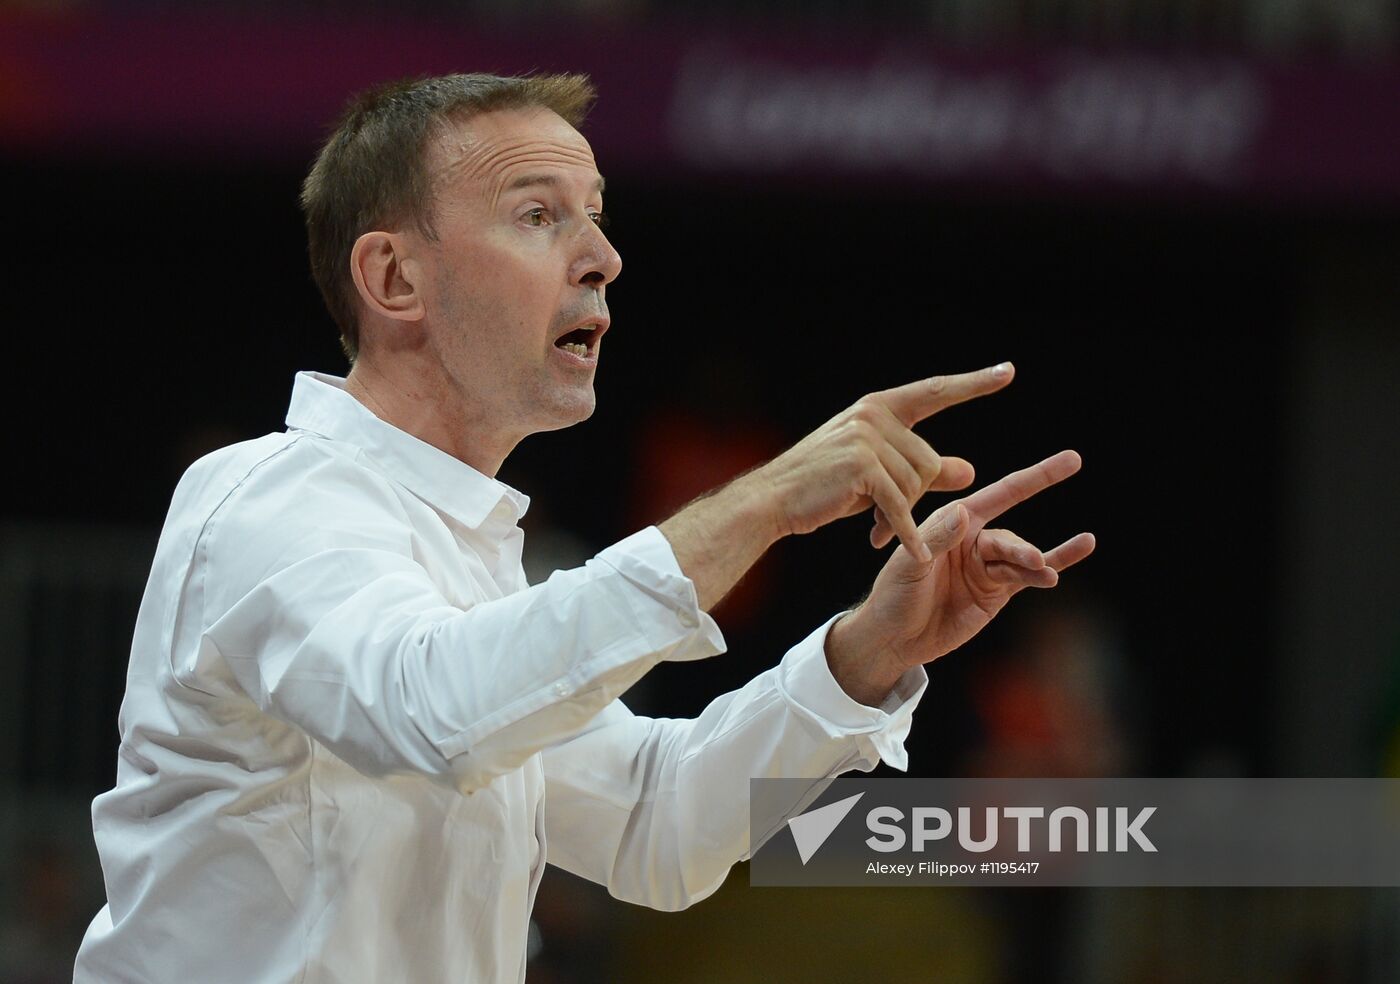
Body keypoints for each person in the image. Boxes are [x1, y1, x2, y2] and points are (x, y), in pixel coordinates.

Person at [74, 72, 1094, 983]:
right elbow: (432, 710)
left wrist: (864, 655)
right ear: (393, 279)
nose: (603, 257)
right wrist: (764, 498)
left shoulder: (470, 562)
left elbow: (659, 821)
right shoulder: (268, 498)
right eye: (537, 215)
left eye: (596, 218)